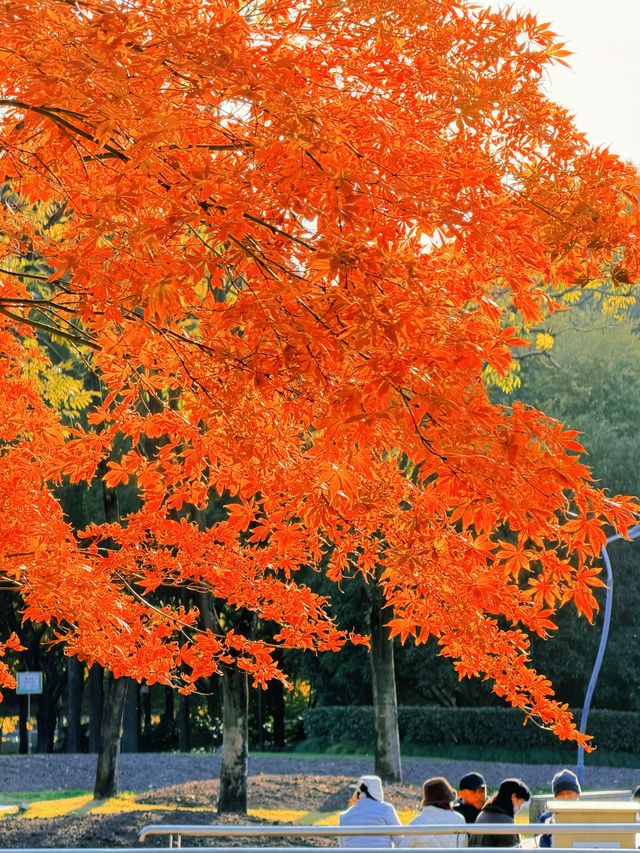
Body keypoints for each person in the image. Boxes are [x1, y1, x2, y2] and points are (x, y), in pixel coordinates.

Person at [400, 776, 466, 848]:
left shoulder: (416, 823)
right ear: (448, 800)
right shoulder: (459, 819)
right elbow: (464, 846)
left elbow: (402, 849)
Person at [339, 775, 403, 848]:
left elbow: (343, 847)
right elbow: (400, 842)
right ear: (379, 792)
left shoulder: (344, 816)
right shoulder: (386, 809)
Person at [468, 778, 530, 848]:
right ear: (513, 797)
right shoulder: (506, 823)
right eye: (521, 802)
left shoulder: (483, 814)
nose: (520, 807)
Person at [538, 769, 581, 848]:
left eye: (569, 793)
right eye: (561, 794)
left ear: (578, 794)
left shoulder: (587, 815)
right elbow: (544, 847)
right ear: (555, 797)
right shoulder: (546, 818)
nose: (565, 797)